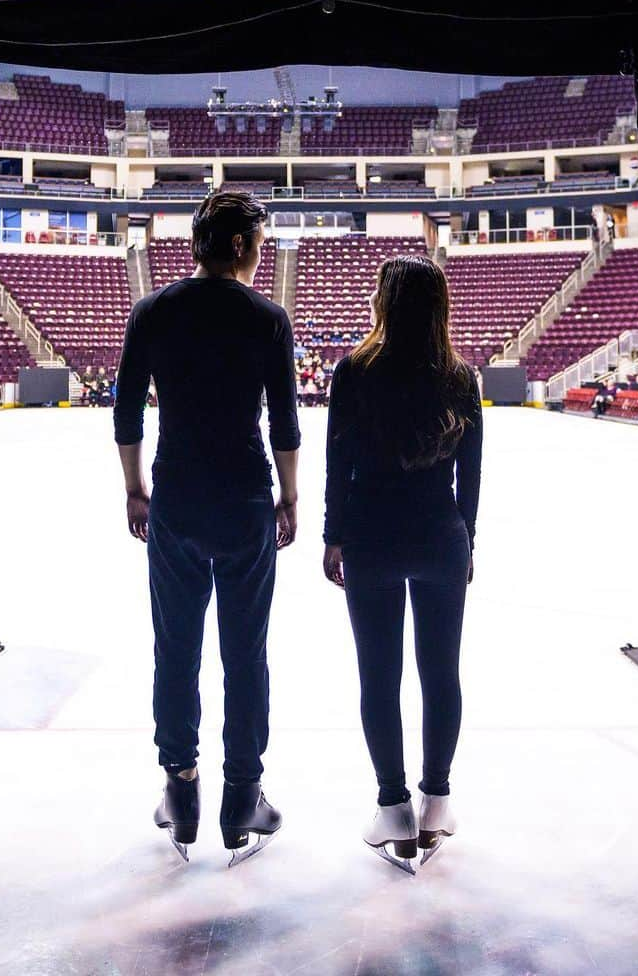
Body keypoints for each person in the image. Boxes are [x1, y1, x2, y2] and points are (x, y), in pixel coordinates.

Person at [114, 191, 300, 865]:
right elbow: (284, 422)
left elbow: (128, 412)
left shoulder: (153, 312)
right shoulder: (267, 318)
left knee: (176, 648)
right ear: (243, 246)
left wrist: (136, 489)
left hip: (178, 500)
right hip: (245, 499)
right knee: (245, 653)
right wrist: (291, 498)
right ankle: (242, 795)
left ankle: (182, 788)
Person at [322, 255, 482, 874]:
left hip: (373, 537)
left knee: (379, 676)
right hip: (441, 534)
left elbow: (340, 466)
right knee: (442, 672)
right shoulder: (460, 376)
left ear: (383, 305)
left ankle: (394, 807)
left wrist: (334, 536)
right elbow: (472, 474)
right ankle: (435, 800)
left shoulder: (354, 371)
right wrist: (467, 537)